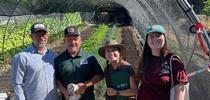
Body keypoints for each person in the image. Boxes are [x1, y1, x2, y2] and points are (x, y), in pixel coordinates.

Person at [137, 25, 188, 100]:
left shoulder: (173, 61)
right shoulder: (145, 60)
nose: (155, 39)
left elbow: (180, 91)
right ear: (147, 41)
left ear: (164, 38)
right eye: (151, 37)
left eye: (158, 36)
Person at [54, 26, 104, 100]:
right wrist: (64, 91)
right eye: (69, 39)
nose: (72, 42)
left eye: (75, 39)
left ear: (80, 40)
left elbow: (100, 75)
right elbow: (57, 79)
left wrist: (85, 85)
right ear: (64, 41)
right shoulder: (59, 59)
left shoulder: (89, 58)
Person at [12, 23, 59, 100]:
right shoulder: (22, 57)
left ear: (47, 36)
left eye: (44, 34)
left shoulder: (53, 56)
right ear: (31, 37)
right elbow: (17, 84)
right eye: (37, 34)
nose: (41, 37)